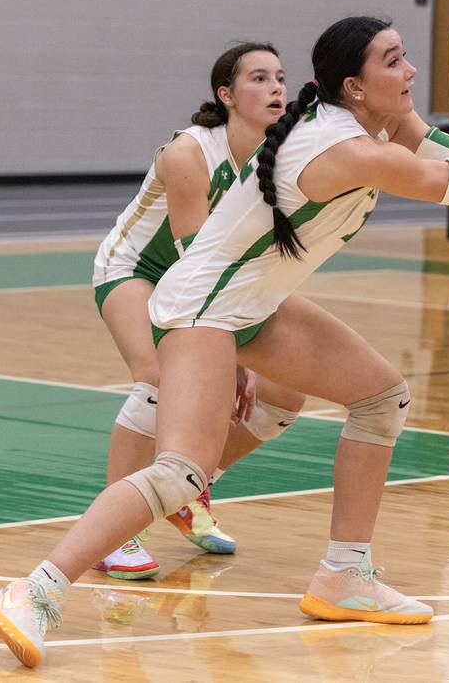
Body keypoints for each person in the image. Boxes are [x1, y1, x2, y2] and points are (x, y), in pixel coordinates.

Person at [0, 16, 449, 668]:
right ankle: (33, 591)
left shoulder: (383, 127)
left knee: (381, 397)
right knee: (181, 472)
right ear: (353, 85)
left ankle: (343, 575)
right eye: (394, 61)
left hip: (252, 303)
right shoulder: (343, 150)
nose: (410, 72)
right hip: (201, 309)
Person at [90, 42, 306, 579]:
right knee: (161, 378)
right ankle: (117, 532)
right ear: (226, 95)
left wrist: (251, 357)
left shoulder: (279, 157)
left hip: (210, 283)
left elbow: (257, 262)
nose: (277, 87)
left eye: (280, 77)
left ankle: (189, 486)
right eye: (259, 78)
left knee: (285, 390)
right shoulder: (189, 154)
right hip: (139, 271)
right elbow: (195, 273)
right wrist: (227, 355)